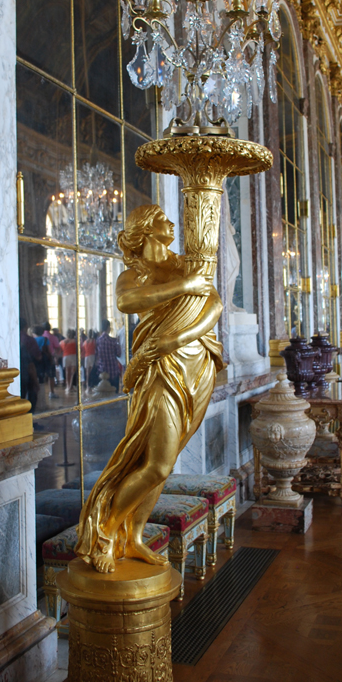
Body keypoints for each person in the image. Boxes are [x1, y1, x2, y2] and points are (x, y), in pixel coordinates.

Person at [76, 204, 223, 573]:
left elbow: (215, 304)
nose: (170, 223)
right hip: (161, 369)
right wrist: (184, 287)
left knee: (165, 462)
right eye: (161, 220)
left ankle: (134, 537)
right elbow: (127, 302)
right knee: (154, 465)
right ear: (145, 229)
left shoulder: (185, 263)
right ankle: (107, 532)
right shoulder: (136, 272)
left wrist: (180, 336)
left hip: (197, 363)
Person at [19, 317, 41, 411]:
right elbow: (36, 358)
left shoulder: (12, 339)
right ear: (26, 326)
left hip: (13, 376)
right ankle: (31, 422)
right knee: (31, 399)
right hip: (26, 374)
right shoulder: (29, 340)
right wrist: (35, 380)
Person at [96, 319, 122, 392]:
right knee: (114, 394)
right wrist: (118, 343)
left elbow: (97, 356)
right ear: (108, 328)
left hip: (103, 372)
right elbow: (119, 354)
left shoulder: (98, 340)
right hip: (113, 370)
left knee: (104, 396)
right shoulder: (112, 341)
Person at [60, 328, 78, 393]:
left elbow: (60, 350)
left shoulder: (62, 342)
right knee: (73, 372)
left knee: (67, 372)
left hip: (65, 357)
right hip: (73, 356)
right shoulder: (75, 341)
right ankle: (71, 386)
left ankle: (68, 386)